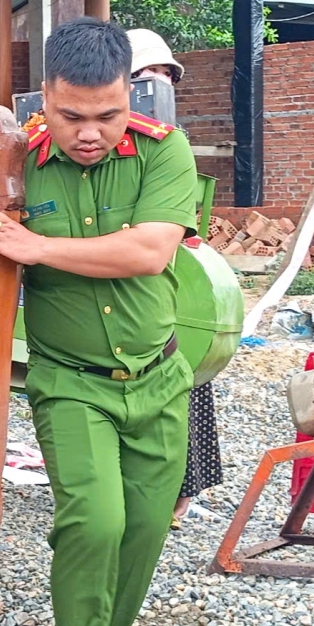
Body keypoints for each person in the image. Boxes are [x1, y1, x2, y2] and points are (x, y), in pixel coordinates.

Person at [0, 17, 198, 626]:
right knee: (94, 520)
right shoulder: (16, 164)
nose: (90, 132)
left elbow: (152, 250)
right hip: (70, 380)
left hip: (158, 375)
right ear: (44, 95)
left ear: (130, 94)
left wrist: (39, 248)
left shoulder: (163, 150)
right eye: (71, 116)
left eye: (109, 114)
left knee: (147, 525)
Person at [127, 28, 223, 529]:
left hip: (164, 282)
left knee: (182, 374)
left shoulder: (170, 147)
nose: (160, 83)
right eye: (148, 75)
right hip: (122, 285)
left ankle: (179, 490)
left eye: (166, 75)